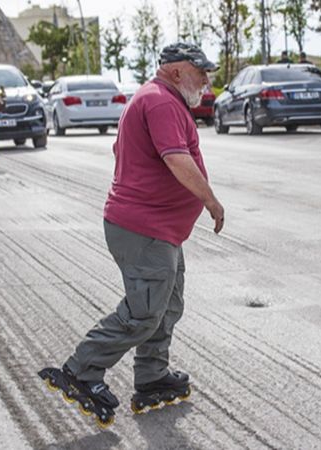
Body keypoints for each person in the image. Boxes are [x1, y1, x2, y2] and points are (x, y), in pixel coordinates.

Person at [38, 42, 225, 428]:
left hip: (160, 229)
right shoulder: (160, 101)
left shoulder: (159, 100)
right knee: (143, 313)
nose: (207, 80)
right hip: (145, 230)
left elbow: (122, 147)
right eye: (200, 71)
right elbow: (176, 158)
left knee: (167, 306)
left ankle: (152, 376)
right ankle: (81, 370)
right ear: (176, 71)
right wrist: (211, 201)